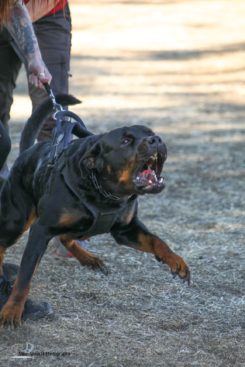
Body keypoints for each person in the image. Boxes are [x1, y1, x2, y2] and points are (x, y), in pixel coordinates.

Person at [0, 0, 88, 256]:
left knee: (53, 118)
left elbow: (15, 5)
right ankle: (7, 208)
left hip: (46, 13)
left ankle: (63, 216)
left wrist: (35, 59)